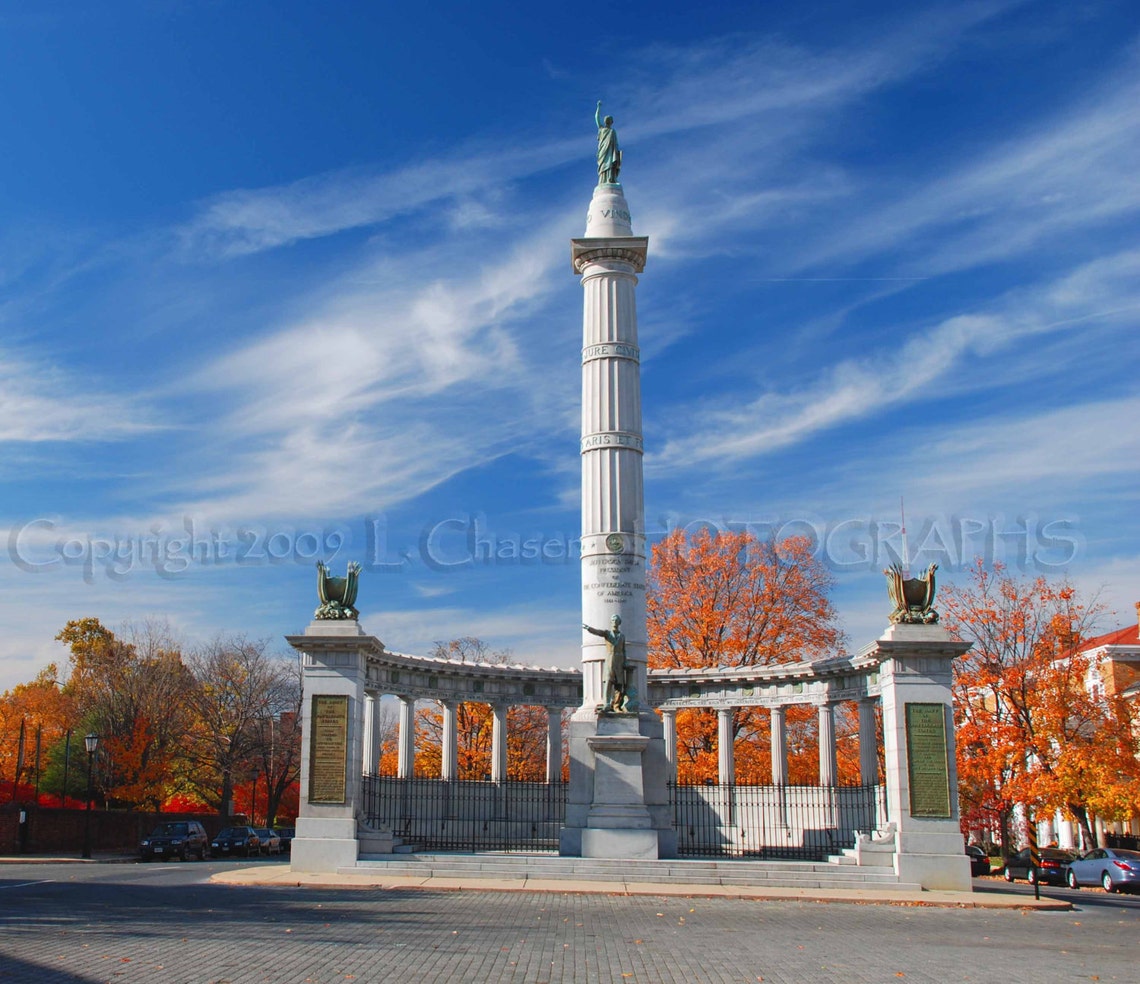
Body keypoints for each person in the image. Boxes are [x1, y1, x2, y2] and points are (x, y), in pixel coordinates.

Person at [583, 613, 629, 711]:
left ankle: (616, 706)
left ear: (619, 622)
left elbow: (624, 650)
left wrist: (625, 662)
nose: (614, 622)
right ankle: (607, 703)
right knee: (608, 683)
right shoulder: (607, 634)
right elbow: (599, 632)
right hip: (610, 661)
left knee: (619, 685)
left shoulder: (622, 636)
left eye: (616, 620)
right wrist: (589, 628)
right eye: (613, 620)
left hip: (619, 662)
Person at [595, 101, 621, 185]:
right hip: (603, 151)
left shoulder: (613, 131)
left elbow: (615, 143)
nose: (608, 121)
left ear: (611, 122)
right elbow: (596, 118)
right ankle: (603, 180)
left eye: (609, 120)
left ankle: (611, 178)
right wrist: (598, 107)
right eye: (607, 120)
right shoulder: (601, 129)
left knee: (610, 163)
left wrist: (617, 153)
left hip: (611, 150)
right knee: (603, 165)